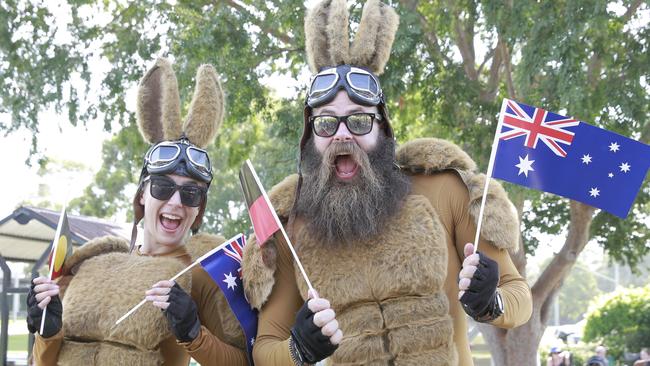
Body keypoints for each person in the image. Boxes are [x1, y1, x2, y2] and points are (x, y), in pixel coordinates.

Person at [241, 0, 533, 365]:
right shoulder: (288, 227)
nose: (342, 137)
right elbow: (265, 347)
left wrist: (493, 300)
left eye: (359, 122)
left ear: (383, 128)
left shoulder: (444, 189)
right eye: (327, 123)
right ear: (310, 137)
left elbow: (518, 293)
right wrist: (297, 349)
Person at [26, 59, 248, 365]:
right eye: (162, 188)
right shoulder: (96, 265)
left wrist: (195, 335)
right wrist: (47, 333)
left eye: (190, 193)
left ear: (199, 210)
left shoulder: (204, 271)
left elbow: (246, 360)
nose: (175, 203)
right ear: (142, 194)